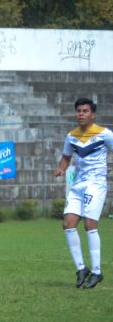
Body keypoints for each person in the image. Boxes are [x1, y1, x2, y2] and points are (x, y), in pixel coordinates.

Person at [54, 97, 113, 289]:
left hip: (95, 184)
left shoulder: (104, 134)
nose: (81, 114)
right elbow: (66, 157)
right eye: (79, 110)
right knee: (68, 223)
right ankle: (81, 268)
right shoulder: (71, 136)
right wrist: (61, 168)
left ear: (93, 114)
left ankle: (97, 271)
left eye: (85, 111)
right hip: (78, 184)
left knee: (89, 224)